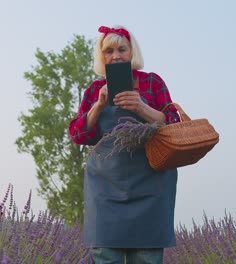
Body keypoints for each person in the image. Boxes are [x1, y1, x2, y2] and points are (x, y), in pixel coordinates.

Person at [68, 25, 181, 264]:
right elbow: (77, 135)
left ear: (132, 52)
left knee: (147, 258)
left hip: (151, 187)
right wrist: (98, 106)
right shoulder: (94, 90)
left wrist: (141, 107)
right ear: (102, 56)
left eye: (122, 49)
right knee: (105, 258)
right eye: (109, 51)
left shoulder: (153, 82)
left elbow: (174, 125)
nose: (116, 55)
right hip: (105, 189)